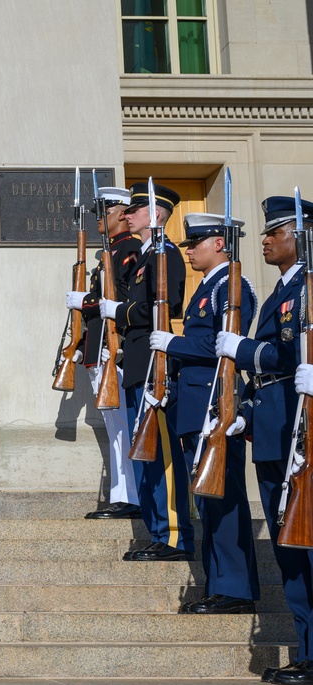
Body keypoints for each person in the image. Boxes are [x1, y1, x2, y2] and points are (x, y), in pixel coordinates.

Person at [215, 196, 312, 684]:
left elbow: (293, 355)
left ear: (302, 235)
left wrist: (246, 349)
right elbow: (272, 373)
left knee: (308, 545)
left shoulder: (308, 287)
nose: (266, 239)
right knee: (288, 545)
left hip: (301, 430)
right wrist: (247, 411)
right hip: (272, 430)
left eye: (276, 231)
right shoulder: (282, 289)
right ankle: (307, 650)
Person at [149, 212, 260, 614]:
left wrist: (172, 344)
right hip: (196, 405)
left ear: (219, 243)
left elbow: (226, 344)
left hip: (218, 404)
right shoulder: (207, 288)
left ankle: (236, 590)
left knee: (225, 498)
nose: (189, 250)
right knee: (208, 502)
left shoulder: (232, 287)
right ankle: (219, 584)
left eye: (195, 243)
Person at [100, 181, 191, 561]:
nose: (128, 215)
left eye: (134, 210)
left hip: (156, 367)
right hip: (138, 365)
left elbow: (159, 308)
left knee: (163, 455)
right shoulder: (145, 257)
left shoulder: (164, 255)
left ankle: (174, 536)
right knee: (145, 453)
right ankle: (158, 531)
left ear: (153, 215)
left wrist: (116, 312)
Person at [65, 186, 141, 519]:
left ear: (123, 215)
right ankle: (123, 494)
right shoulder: (109, 254)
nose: (99, 220)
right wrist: (82, 346)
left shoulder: (130, 251)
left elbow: (123, 300)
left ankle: (131, 498)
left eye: (105, 213)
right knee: (115, 429)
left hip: (118, 352)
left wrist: (87, 302)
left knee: (125, 428)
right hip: (101, 353)